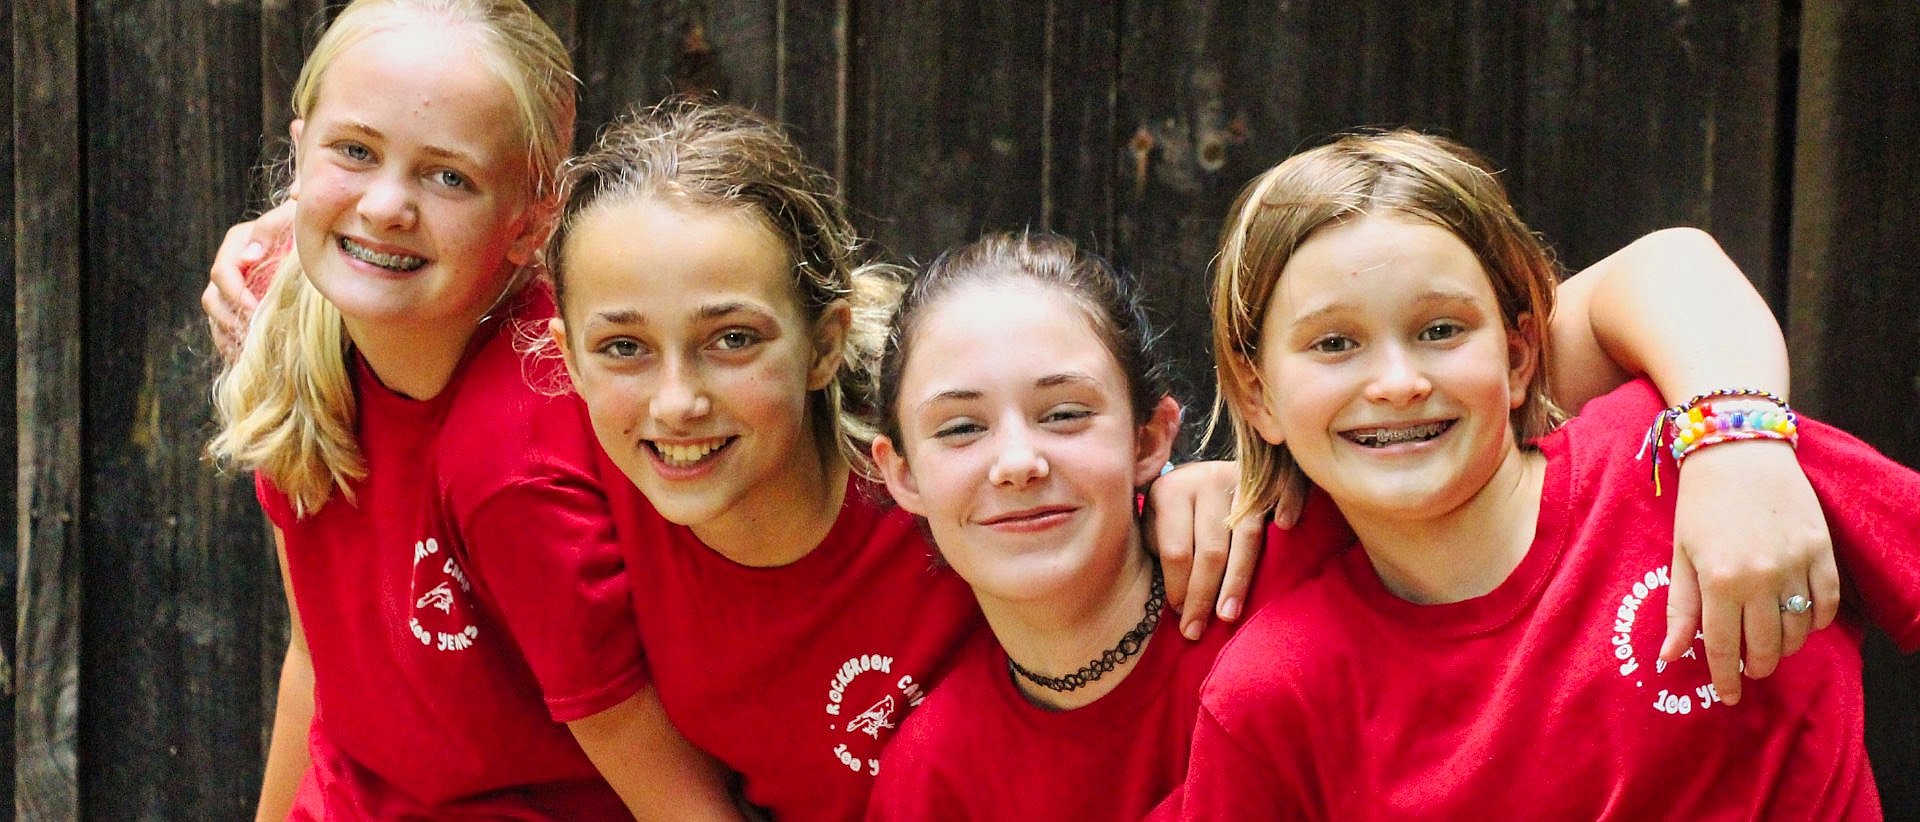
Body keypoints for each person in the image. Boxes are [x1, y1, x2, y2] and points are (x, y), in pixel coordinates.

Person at [860, 216, 1842, 818]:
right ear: (899, 473)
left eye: (1067, 413)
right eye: (961, 429)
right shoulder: (935, 776)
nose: (1020, 462)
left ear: (1154, 438)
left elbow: (1652, 277)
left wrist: (1735, 439)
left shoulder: (1324, 525)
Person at [1186, 130, 1920, 818]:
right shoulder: (1270, 692)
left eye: (1441, 330)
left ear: (1517, 355)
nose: (1399, 383)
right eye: (1334, 343)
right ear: (1257, 396)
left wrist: (1736, 452)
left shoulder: (1698, 453)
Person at [206, 1, 733, 817]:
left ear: (533, 220)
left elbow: (646, 763)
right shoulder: (290, 336)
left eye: (449, 176)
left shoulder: (516, 454)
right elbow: (315, 664)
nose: (386, 207)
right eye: (356, 151)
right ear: (299, 152)